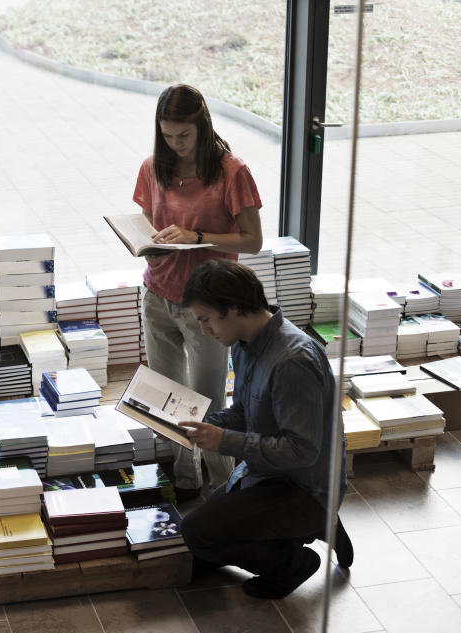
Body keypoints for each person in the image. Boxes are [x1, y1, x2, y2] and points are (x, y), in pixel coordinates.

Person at [177, 259, 347, 599]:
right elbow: (245, 409)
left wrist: (224, 441)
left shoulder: (292, 361)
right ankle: (294, 532)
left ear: (235, 309)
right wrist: (206, 426)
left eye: (206, 319)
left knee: (197, 532)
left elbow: (301, 450)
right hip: (265, 473)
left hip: (301, 487)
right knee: (201, 534)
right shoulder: (244, 344)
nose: (204, 329)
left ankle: (293, 562)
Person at [133, 84, 263, 500]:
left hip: (209, 306)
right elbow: (146, 219)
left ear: (202, 126)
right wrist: (150, 245)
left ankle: (228, 488)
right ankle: (186, 479)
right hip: (158, 295)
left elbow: (253, 240)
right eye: (167, 136)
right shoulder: (154, 167)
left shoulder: (232, 172)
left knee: (206, 399)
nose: (176, 145)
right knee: (166, 396)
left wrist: (198, 236)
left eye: (184, 136)